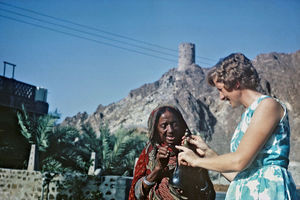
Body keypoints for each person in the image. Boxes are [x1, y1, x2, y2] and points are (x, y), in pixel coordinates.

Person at [176, 53, 297, 199]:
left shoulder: (268, 106)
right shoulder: (248, 115)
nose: (221, 97)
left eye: (221, 89)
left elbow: (239, 161)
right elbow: (239, 175)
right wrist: (208, 153)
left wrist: (196, 161)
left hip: (268, 192)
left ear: (236, 83)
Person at [128, 104, 215, 200]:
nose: (170, 130)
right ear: (156, 128)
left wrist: (192, 174)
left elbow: (209, 194)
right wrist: (158, 169)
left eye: (174, 124)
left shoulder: (193, 151)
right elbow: (136, 194)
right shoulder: (149, 153)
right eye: (164, 126)